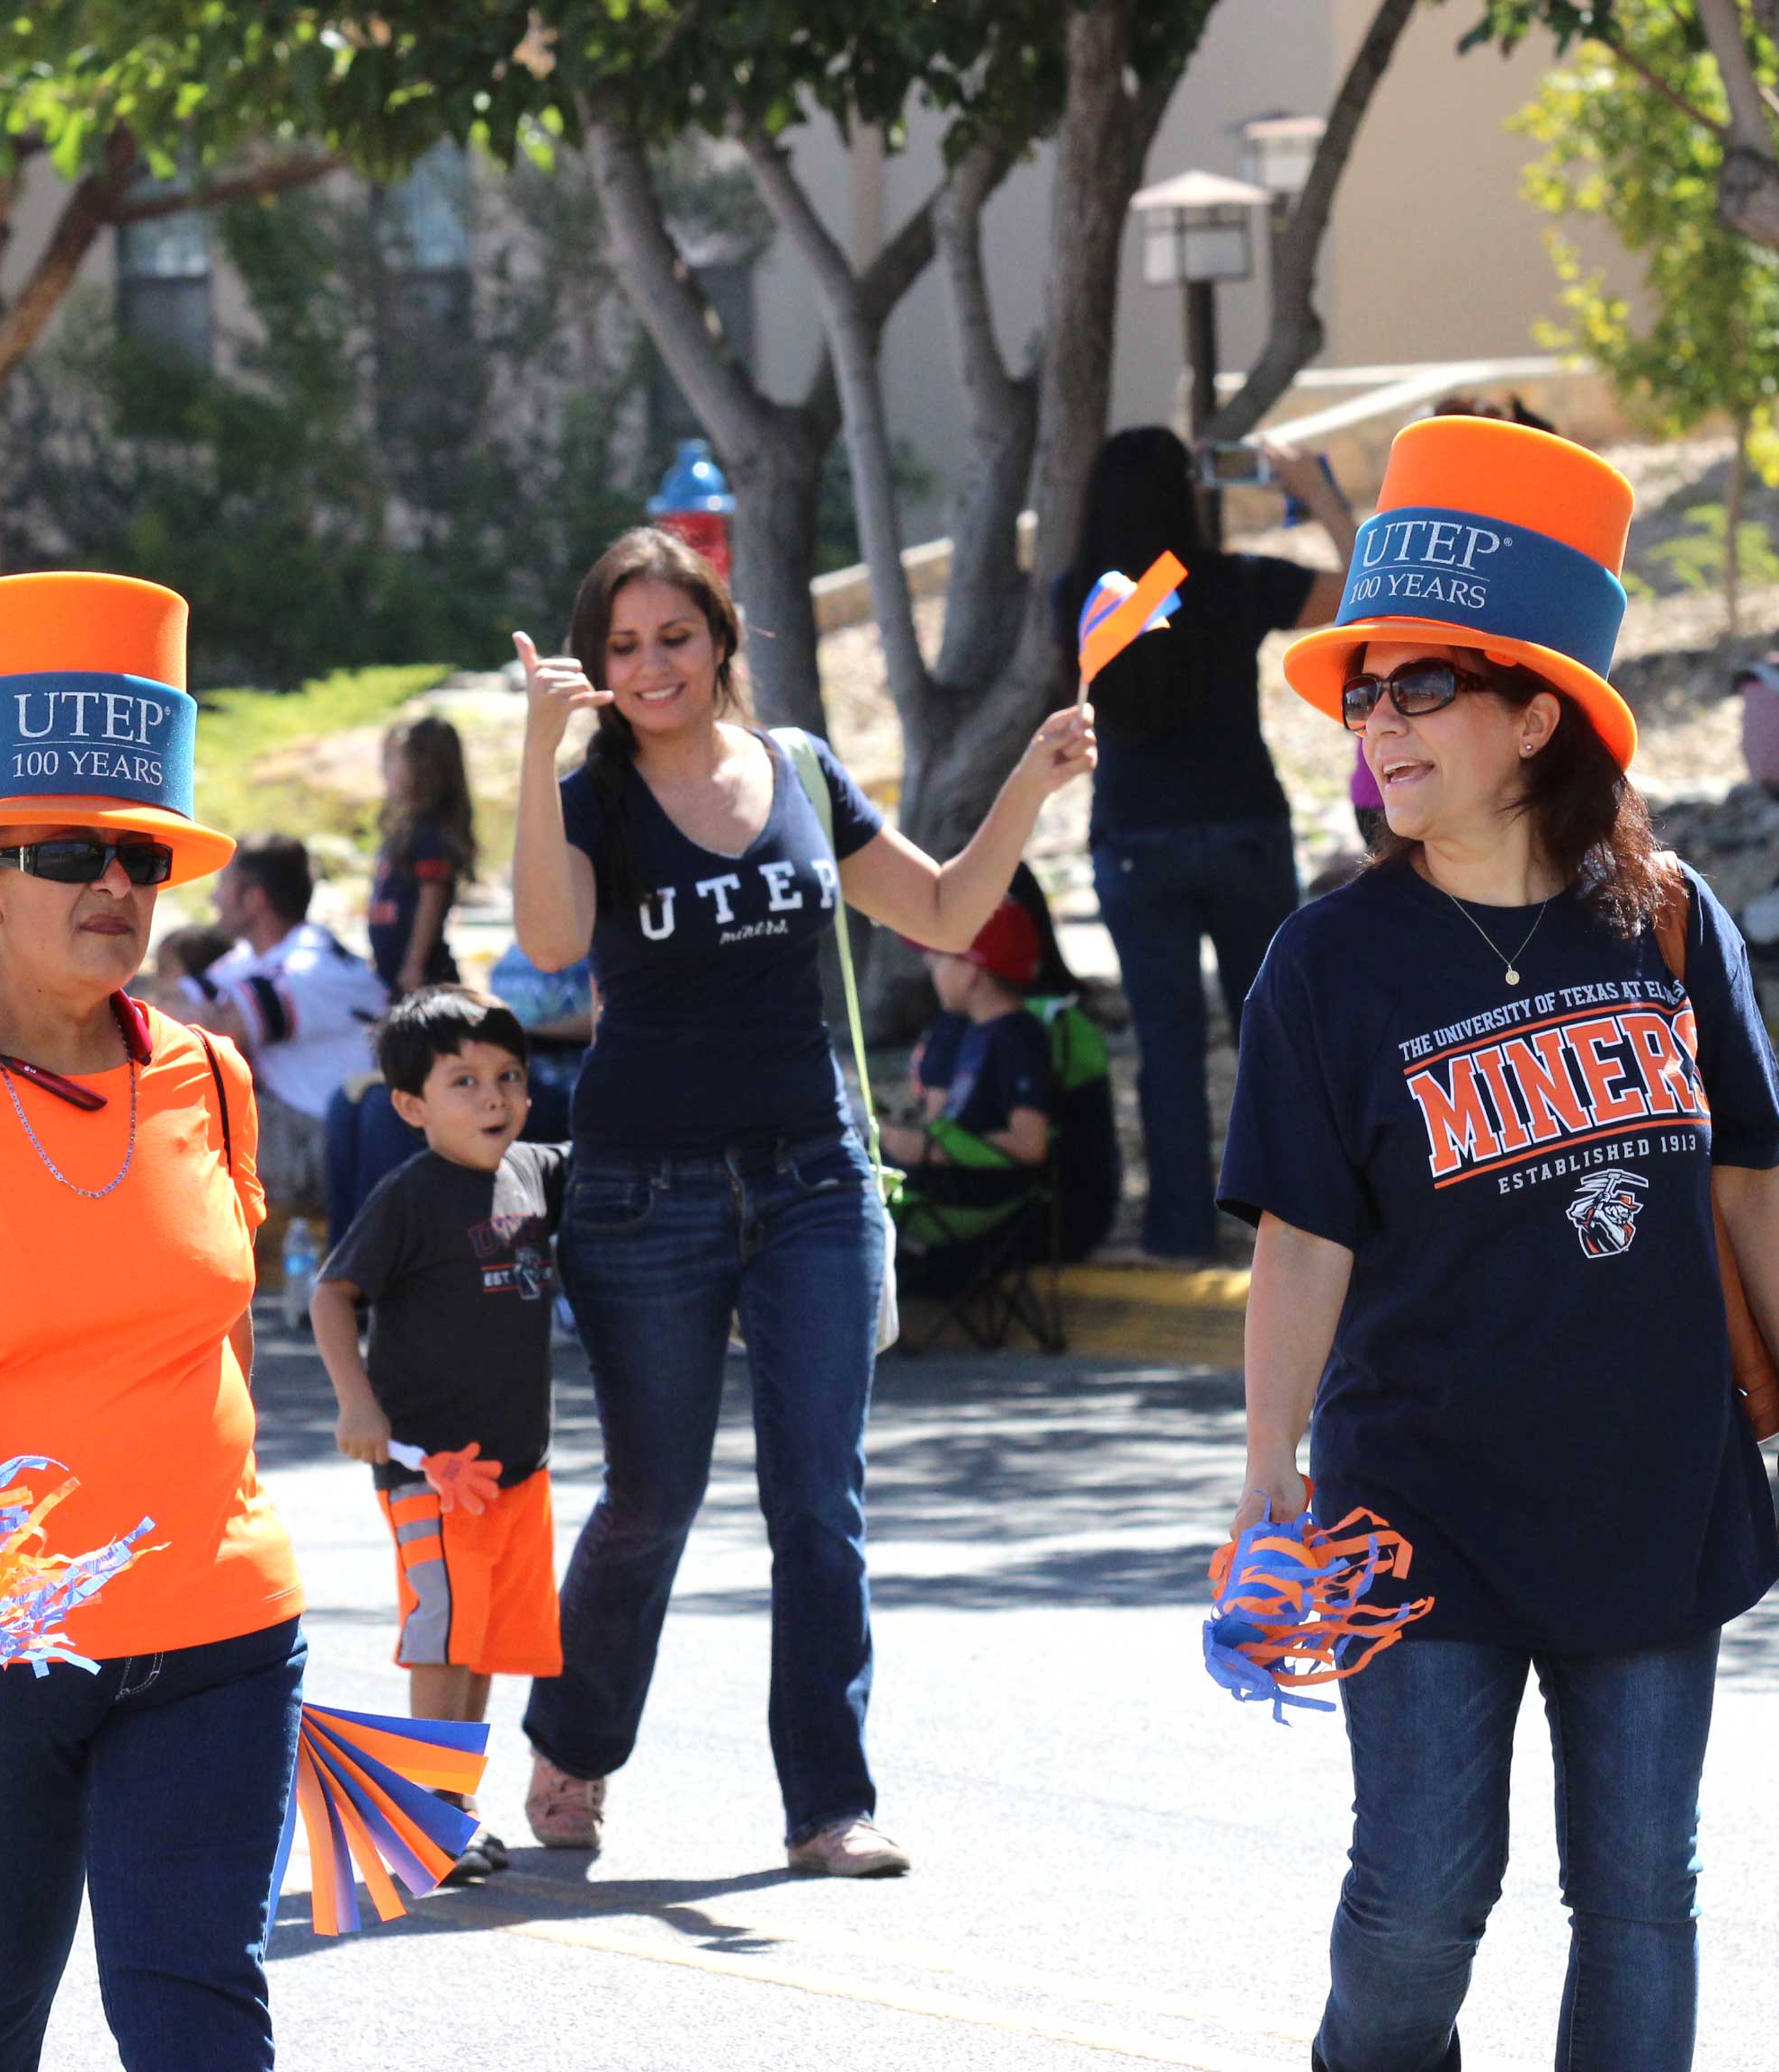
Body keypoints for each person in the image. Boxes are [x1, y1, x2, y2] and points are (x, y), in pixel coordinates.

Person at [1226, 414, 1779, 2072]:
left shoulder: (1661, 914)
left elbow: (1749, 1182)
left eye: (1420, 682)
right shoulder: (1327, 959)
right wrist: (1265, 1475)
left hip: (1656, 1478)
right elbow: (1301, 1243)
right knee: (1422, 1893)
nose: (1377, 715)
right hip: (1413, 1494)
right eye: (1364, 687)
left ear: (1534, 712)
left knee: (1642, 1888)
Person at [510, 526, 1095, 1874]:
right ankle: (577, 1747)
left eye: (675, 637)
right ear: (597, 668)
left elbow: (947, 911)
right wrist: (538, 762)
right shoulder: (592, 799)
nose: (654, 666)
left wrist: (1029, 780)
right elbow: (548, 946)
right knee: (654, 1497)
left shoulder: (801, 772)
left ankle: (829, 1804)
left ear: (722, 635)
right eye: (625, 647)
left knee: (817, 1499)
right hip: (645, 1188)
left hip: (813, 1175)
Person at [0, 570, 305, 2071]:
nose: (113, 885)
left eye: (138, 857)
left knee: (193, 1999)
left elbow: (211, 1334)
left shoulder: (212, 1077)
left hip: (216, 1623)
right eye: (66, 853)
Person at [1055, 427, 1356, 1260]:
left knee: (1166, 1045)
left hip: (1132, 840)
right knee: (1277, 1039)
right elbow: (1372, 590)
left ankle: (1178, 1231)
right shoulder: (1236, 580)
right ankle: (1297, 1230)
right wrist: (1317, 494)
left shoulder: (1074, 595)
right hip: (1243, 827)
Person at [310, 986, 568, 1885]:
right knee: (445, 1639)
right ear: (412, 1107)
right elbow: (331, 1295)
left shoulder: (538, 1171)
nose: (494, 1098)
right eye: (464, 1082)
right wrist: (358, 1404)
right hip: (432, 1466)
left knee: (485, 1643)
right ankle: (422, 1818)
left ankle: (448, 1811)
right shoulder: (409, 1198)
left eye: (509, 1077)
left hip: (516, 1469)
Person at [173, 832, 388, 1227]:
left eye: (223, 884)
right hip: (298, 1128)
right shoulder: (251, 957)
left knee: (185, 1099)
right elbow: (168, 1001)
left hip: (333, 1139)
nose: (214, 898)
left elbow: (211, 1030)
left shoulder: (312, 966)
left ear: (254, 898)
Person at [880, 897, 1059, 1296]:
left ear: (973, 972)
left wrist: (927, 1150)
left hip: (982, 1195)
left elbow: (1031, 1145)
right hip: (955, 1181)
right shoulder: (971, 1029)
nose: (930, 967)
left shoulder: (1019, 1037)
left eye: (941, 959)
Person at [369, 713, 470, 997]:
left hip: (421, 977)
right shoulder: (404, 831)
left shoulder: (431, 835)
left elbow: (431, 902)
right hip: (394, 970)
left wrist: (414, 966)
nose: (383, 770)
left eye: (393, 760)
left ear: (425, 770)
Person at [487, 941, 593, 1145]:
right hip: (517, 1099)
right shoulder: (515, 948)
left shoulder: (602, 945)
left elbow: (617, 1013)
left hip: (572, 1099)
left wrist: (531, 1035)